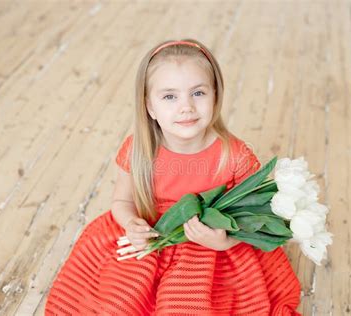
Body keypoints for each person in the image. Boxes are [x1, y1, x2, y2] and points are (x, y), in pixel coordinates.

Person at [45, 39, 301, 315]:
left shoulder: (235, 155)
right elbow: (121, 200)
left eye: (198, 93)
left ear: (216, 95)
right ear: (150, 107)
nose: (186, 107)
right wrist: (132, 224)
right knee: (115, 301)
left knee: (191, 304)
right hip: (152, 233)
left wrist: (224, 241)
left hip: (208, 246)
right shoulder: (138, 150)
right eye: (169, 96)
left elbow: (252, 219)